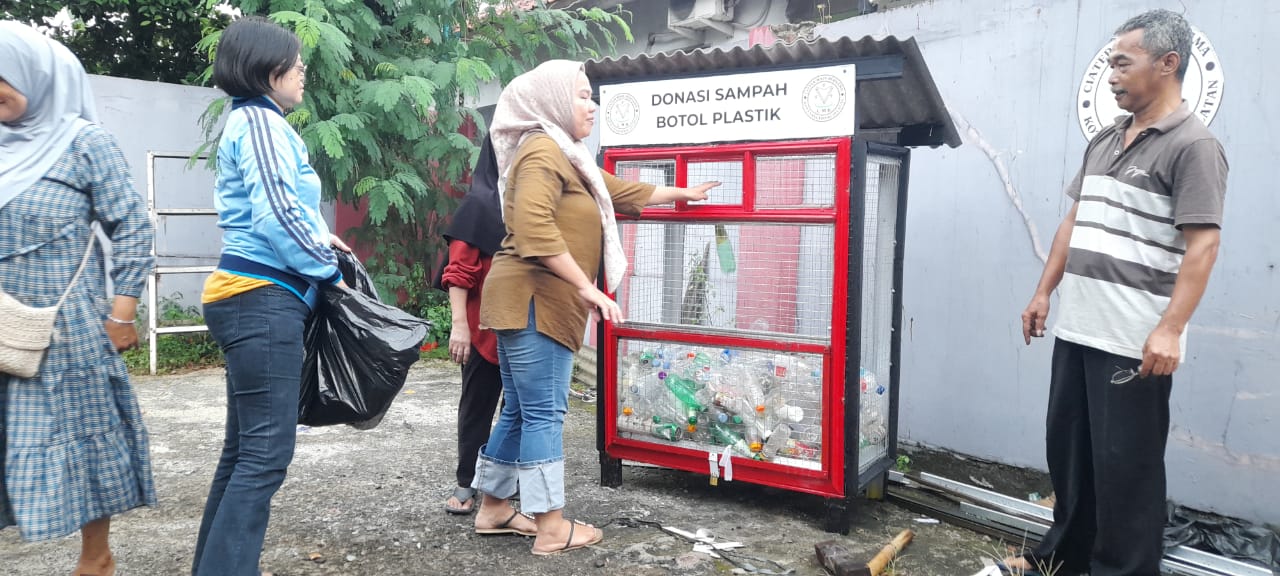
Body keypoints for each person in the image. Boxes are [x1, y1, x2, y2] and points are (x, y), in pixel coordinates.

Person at [1007, 10, 1227, 576]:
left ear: (1168, 64)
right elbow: (1072, 222)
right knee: (1071, 456)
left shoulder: (1193, 146)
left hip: (1133, 341)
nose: (1111, 74)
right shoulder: (1106, 139)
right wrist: (1043, 293)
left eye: (1123, 63)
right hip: (1079, 327)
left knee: (1126, 468)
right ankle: (1064, 557)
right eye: (1109, 63)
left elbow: (1202, 247)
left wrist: (1170, 328)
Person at [472, 59, 720, 555]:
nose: (593, 105)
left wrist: (682, 193)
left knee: (521, 410)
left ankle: (495, 508)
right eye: (583, 95)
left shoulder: (570, 157)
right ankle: (551, 527)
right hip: (534, 299)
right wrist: (589, 288)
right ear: (550, 101)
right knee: (543, 412)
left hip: (532, 299)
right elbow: (533, 226)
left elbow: (617, 190)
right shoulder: (542, 150)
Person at [194, 16, 350, 576]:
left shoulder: (254, 122)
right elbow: (278, 214)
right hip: (261, 299)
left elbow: (280, 211)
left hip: (251, 294)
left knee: (244, 454)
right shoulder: (261, 121)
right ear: (267, 68)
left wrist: (318, 234)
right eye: (296, 61)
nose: (303, 70)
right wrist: (327, 271)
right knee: (264, 456)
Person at [0, 21, 156, 576]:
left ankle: (96, 558)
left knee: (88, 441)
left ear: (31, 73)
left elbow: (132, 226)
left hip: (67, 337)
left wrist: (123, 311)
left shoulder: (83, 142)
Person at [437, 134, 506, 515]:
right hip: (482, 333)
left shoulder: (525, 202)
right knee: (477, 407)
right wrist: (459, 326)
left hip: (522, 331)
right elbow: (459, 272)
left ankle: (504, 487)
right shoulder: (478, 205)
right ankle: (467, 484)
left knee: (519, 413)